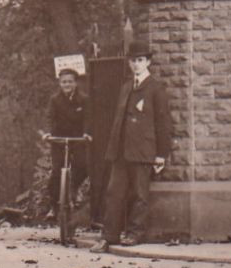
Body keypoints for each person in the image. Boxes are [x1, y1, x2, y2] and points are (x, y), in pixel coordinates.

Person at [94, 50, 172, 251]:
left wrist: (161, 154)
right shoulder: (126, 87)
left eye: (140, 60)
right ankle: (109, 236)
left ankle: (135, 234)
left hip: (143, 150)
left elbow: (163, 122)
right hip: (121, 150)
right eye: (133, 61)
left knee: (139, 194)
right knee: (114, 193)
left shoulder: (156, 88)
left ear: (148, 62)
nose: (136, 64)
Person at [43, 68, 90, 221]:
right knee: (56, 172)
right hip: (59, 140)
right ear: (59, 83)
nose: (67, 84)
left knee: (83, 166)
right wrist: (48, 133)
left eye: (70, 81)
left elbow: (87, 119)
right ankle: (54, 206)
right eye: (64, 82)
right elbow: (49, 117)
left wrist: (86, 132)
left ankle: (73, 188)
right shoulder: (55, 100)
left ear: (75, 83)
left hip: (78, 140)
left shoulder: (83, 99)